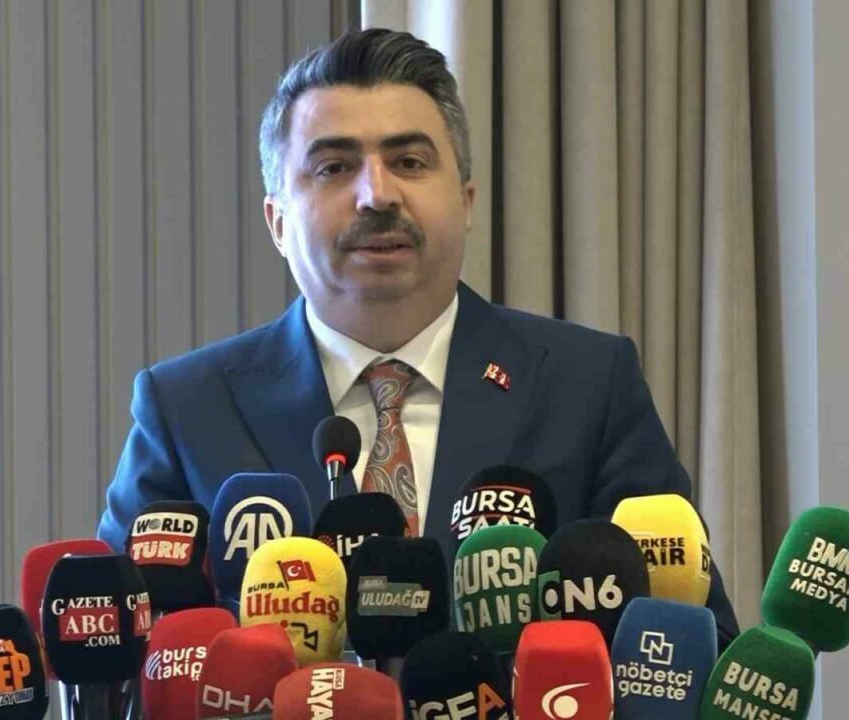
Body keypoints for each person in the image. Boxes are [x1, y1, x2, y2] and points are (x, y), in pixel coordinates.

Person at [98, 28, 738, 643]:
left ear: (466, 201)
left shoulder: (589, 385)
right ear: (278, 222)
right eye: (334, 167)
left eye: (408, 161)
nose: (377, 195)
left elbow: (691, 642)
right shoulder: (187, 408)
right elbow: (116, 658)